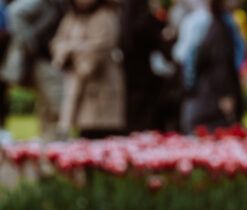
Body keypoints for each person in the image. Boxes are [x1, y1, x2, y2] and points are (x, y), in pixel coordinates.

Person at [51, 0, 125, 138]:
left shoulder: (105, 17)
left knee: (100, 134)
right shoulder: (72, 17)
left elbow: (98, 50)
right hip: (76, 85)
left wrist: (71, 50)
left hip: (100, 87)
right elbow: (58, 43)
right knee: (83, 133)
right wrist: (69, 51)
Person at [3, 0, 65, 140]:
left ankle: (50, 147)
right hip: (43, 60)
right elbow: (15, 13)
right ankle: (57, 147)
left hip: (47, 59)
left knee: (48, 109)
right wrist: (32, 43)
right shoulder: (43, 2)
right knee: (56, 107)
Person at [182, 0, 242, 132]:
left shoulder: (213, 26)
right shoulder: (222, 28)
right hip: (213, 101)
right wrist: (226, 94)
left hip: (204, 97)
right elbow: (222, 64)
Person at [120, 0, 180, 132]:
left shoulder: (124, 20)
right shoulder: (146, 22)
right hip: (147, 84)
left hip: (130, 83)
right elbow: (166, 50)